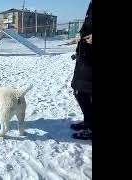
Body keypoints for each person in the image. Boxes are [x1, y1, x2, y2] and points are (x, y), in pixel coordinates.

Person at [70, 1, 92, 140]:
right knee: (79, 90)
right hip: (85, 55)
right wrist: (80, 33)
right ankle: (89, 122)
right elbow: (88, 25)